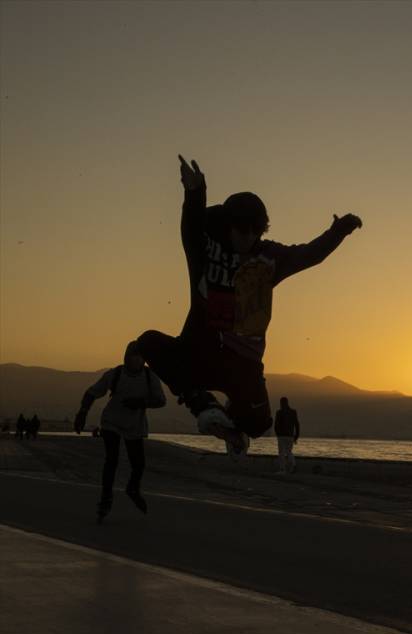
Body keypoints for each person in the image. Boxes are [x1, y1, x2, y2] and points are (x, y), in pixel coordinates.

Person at [136, 157, 362, 455]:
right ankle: (201, 404)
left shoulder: (268, 259)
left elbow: (309, 254)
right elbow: (190, 226)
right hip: (198, 350)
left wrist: (339, 231)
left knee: (258, 425)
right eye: (242, 232)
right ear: (228, 227)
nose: (248, 239)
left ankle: (234, 421)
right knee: (148, 343)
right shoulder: (205, 249)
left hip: (243, 363)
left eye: (255, 233)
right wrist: (195, 191)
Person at [75, 341, 166, 523]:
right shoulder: (115, 374)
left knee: (138, 464)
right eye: (132, 356)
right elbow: (92, 393)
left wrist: (140, 403)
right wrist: (82, 413)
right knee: (112, 460)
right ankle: (106, 498)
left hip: (135, 425)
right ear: (126, 357)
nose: (136, 360)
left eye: (139, 357)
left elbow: (161, 401)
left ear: (143, 360)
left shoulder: (150, 377)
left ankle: (133, 488)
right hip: (111, 422)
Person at [274, 397, 300, 473]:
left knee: (281, 452)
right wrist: (296, 436)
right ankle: (293, 465)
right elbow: (297, 424)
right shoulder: (293, 412)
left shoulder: (279, 412)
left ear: (282, 403)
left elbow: (276, 425)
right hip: (290, 436)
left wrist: (277, 434)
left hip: (281, 436)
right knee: (289, 451)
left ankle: (282, 469)